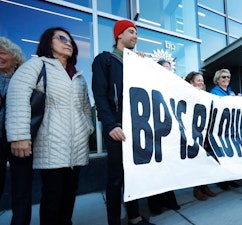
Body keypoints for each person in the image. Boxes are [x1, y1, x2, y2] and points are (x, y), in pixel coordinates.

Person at [6, 27, 93, 225]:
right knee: (52, 197)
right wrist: (19, 136)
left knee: (69, 195)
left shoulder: (78, 76)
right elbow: (17, 95)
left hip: (77, 147)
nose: (68, 42)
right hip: (51, 144)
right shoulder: (36, 64)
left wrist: (87, 127)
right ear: (48, 42)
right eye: (62, 38)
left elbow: (86, 108)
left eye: (70, 40)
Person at [92, 19, 155, 225]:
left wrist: (144, 65)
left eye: (136, 33)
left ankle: (135, 217)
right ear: (119, 35)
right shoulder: (105, 60)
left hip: (136, 126)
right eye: (131, 32)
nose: (135, 36)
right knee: (116, 177)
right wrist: (110, 125)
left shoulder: (135, 62)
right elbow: (100, 95)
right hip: (116, 128)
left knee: (133, 174)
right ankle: (114, 221)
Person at [0, 37, 30, 225]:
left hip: (20, 138)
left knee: (22, 189)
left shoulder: (25, 80)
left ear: (16, 59)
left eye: (3, 53)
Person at [146, 59, 180, 214]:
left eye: (169, 68)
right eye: (165, 68)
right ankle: (155, 203)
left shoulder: (172, 86)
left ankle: (169, 200)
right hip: (153, 130)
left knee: (168, 168)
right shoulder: (149, 83)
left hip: (168, 130)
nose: (168, 70)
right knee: (154, 167)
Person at [184, 71, 217, 201]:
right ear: (191, 82)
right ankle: (197, 189)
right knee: (195, 161)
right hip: (192, 132)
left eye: (202, 80)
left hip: (204, 132)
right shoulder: (185, 94)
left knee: (205, 160)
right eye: (198, 80)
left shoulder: (205, 95)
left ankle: (205, 185)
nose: (202, 83)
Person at [209, 69, 240, 190]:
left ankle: (230, 178)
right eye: (223, 77)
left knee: (230, 154)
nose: (226, 79)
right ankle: (222, 181)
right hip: (220, 129)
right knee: (221, 155)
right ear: (217, 79)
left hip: (231, 128)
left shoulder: (231, 91)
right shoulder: (214, 92)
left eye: (228, 77)